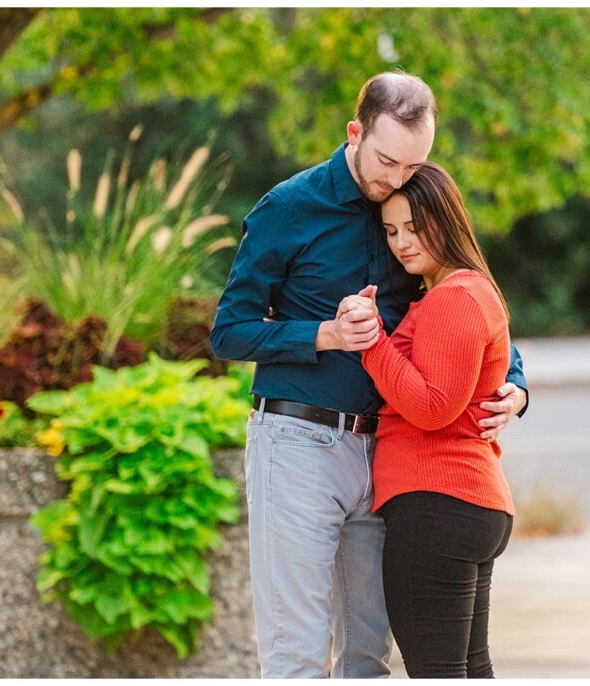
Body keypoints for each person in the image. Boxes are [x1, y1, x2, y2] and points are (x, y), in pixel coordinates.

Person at [210, 71, 528, 679]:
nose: (396, 179)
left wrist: (514, 383)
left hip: (387, 457)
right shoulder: (288, 208)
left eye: (413, 166)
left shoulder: (409, 212)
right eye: (386, 161)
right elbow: (230, 331)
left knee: (368, 657)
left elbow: (462, 297)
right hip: (299, 444)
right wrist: (323, 334)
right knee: (297, 651)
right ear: (355, 132)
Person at [339, 162, 515, 678]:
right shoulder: (468, 291)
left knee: (437, 674)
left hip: (438, 502)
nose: (401, 243)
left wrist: (371, 341)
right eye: (391, 230)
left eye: (415, 227)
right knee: (466, 670)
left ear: (447, 217)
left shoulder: (454, 297)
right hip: (464, 504)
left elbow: (433, 406)